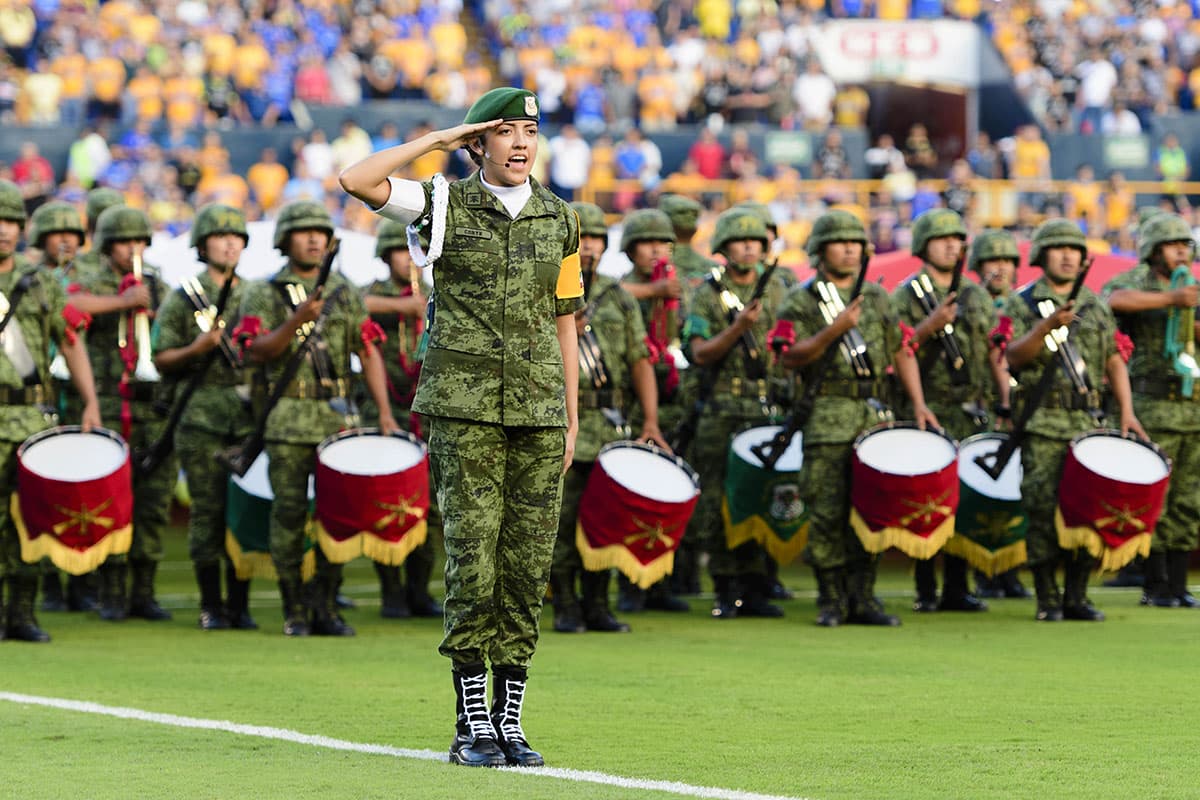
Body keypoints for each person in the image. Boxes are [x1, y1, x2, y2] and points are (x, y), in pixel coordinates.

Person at [338, 87, 583, 769]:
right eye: (505, 131)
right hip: (464, 408)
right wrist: (440, 139)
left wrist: (571, 417)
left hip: (539, 412)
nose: (520, 143)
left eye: (530, 130)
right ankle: (471, 720)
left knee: (527, 567)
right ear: (480, 142)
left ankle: (509, 718)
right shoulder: (440, 203)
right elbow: (356, 180)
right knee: (473, 562)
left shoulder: (561, 218)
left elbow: (565, 321)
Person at [237, 200, 398, 638]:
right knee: (288, 515)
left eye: (320, 232)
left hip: (337, 421)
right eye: (302, 231)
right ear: (284, 239)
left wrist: (384, 413)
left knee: (338, 515)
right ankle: (294, 607)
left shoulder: (345, 291)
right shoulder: (264, 291)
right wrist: (296, 321)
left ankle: (326, 604)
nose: (313, 239)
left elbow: (368, 350)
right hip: (287, 419)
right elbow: (255, 351)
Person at [777, 210, 939, 628]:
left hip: (874, 417)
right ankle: (831, 599)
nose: (849, 249)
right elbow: (788, 357)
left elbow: (901, 348)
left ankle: (864, 597)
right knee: (827, 510)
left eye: (854, 242)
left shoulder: (878, 297)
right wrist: (835, 329)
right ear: (820, 250)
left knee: (871, 509)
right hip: (827, 416)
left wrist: (918, 403)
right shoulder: (800, 299)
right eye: (839, 242)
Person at [1003, 219, 1146, 622]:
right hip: (1043, 422)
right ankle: (1047, 597)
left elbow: (1114, 359)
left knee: (1089, 509)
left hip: (1088, 423)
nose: (1067, 256)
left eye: (1074, 250)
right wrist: (1046, 327)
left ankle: (1077, 595)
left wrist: (1127, 411)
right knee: (1042, 506)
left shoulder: (1095, 305)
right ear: (1041, 255)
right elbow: (1013, 357)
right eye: (1058, 248)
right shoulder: (1022, 303)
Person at [551, 201, 667, 634]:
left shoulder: (619, 297)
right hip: (562, 422)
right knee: (561, 520)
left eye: (598, 239)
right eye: (583, 239)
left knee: (606, 520)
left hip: (610, 426)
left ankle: (598, 604)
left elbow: (640, 360)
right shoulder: (544, 290)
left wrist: (650, 421)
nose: (590, 247)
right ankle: (565, 604)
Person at [0, 179, 100, 642]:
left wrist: (90, 401)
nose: (4, 229)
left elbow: (71, 340)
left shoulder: (39, 281)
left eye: (11, 221)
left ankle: (22, 613)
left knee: (31, 520)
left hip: (30, 421)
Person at [683, 209, 794, 619]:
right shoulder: (707, 293)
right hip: (721, 410)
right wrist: (738, 327)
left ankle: (757, 585)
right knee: (719, 499)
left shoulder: (781, 291)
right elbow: (699, 353)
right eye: (740, 241)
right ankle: (725, 587)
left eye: (756, 242)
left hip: (767, 409)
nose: (749, 247)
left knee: (762, 497)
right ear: (724, 248)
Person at [151, 204, 256, 630]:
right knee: (208, 510)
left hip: (247, 416)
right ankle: (212, 604)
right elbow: (161, 357)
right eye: (219, 237)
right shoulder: (184, 296)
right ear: (202, 244)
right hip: (200, 417)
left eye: (236, 237)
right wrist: (197, 348)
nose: (230, 244)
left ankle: (241, 603)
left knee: (245, 510)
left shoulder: (256, 294)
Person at [70, 206, 174, 622]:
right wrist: (122, 301)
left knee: (153, 503)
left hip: (153, 406)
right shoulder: (91, 280)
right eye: (124, 242)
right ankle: (110, 590)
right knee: (110, 500)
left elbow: (175, 326)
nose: (133, 249)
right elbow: (70, 305)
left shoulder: (157, 283)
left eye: (139, 242)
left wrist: (153, 311)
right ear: (107, 245)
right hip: (109, 402)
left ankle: (143, 592)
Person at [891, 209, 991, 614]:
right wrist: (929, 326)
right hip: (927, 408)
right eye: (941, 239)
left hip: (968, 410)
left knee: (964, 500)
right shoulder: (906, 296)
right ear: (923, 246)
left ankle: (957, 585)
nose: (951, 245)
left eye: (956, 239)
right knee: (926, 499)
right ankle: (924, 585)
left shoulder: (976, 295)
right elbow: (895, 350)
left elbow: (991, 350)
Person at [1103, 212, 1200, 608]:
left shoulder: (1192, 286)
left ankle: (1177, 584)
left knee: (1188, 500)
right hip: (1151, 406)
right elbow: (1114, 300)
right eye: (1172, 245)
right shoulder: (1137, 281)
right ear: (1153, 250)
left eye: (1185, 245)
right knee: (1154, 497)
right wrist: (1171, 300)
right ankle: (1154, 583)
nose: (1181, 252)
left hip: (1191, 407)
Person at [360, 219, 442, 620]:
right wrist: (401, 307)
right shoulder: (372, 292)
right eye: (400, 251)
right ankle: (391, 591)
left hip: (428, 413)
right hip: (387, 412)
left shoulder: (436, 292)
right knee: (388, 501)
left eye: (415, 252)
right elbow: (352, 306)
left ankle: (419, 589)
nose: (408, 259)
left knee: (431, 505)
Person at [614, 208, 690, 611]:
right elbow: (611, 295)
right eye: (647, 243)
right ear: (630, 250)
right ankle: (629, 583)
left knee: (672, 497)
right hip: (629, 403)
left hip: (676, 399)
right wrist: (655, 291)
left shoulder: (682, 289)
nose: (656, 250)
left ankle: (663, 583)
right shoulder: (618, 291)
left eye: (662, 243)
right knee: (632, 495)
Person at [966, 229, 1031, 600]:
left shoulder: (1024, 306)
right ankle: (983, 570)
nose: (1000, 268)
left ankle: (1009, 570)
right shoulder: (969, 304)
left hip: (1022, 407)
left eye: (1007, 260)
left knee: (1014, 492)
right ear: (978, 266)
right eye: (992, 260)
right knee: (983, 491)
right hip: (982, 406)